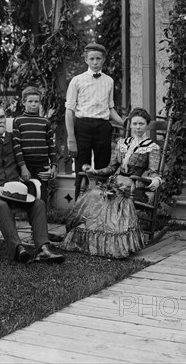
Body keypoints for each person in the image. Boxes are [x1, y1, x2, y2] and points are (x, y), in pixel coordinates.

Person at [0, 103, 65, 264]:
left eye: (2, 117)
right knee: (2, 206)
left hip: (15, 191)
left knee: (38, 203)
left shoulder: (14, 139)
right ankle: (18, 249)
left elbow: (30, 156)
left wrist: (49, 167)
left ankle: (43, 249)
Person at [60, 107, 162, 258]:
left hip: (133, 186)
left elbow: (154, 171)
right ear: (130, 125)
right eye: (135, 124)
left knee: (115, 199)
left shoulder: (151, 147)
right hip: (114, 181)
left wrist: (155, 179)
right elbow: (111, 168)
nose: (138, 127)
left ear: (146, 125)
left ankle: (114, 244)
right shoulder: (122, 143)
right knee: (94, 195)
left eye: (141, 124)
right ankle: (89, 240)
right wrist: (95, 172)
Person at [65, 42, 124, 200]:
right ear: (86, 60)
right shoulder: (77, 81)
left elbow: (110, 108)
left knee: (103, 169)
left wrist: (124, 122)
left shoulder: (109, 81)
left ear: (104, 59)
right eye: (92, 58)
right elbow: (69, 111)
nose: (95, 62)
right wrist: (71, 138)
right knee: (82, 170)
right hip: (82, 126)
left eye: (98, 58)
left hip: (103, 127)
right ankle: (78, 210)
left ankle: (102, 210)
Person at [12, 86, 58, 204]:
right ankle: (29, 220)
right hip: (26, 167)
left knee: (41, 198)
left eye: (36, 101)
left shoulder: (45, 122)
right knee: (28, 198)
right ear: (23, 102)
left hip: (42, 167)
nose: (33, 104)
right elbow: (17, 146)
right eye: (30, 101)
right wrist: (23, 167)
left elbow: (50, 146)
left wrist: (53, 166)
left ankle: (41, 222)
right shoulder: (18, 121)